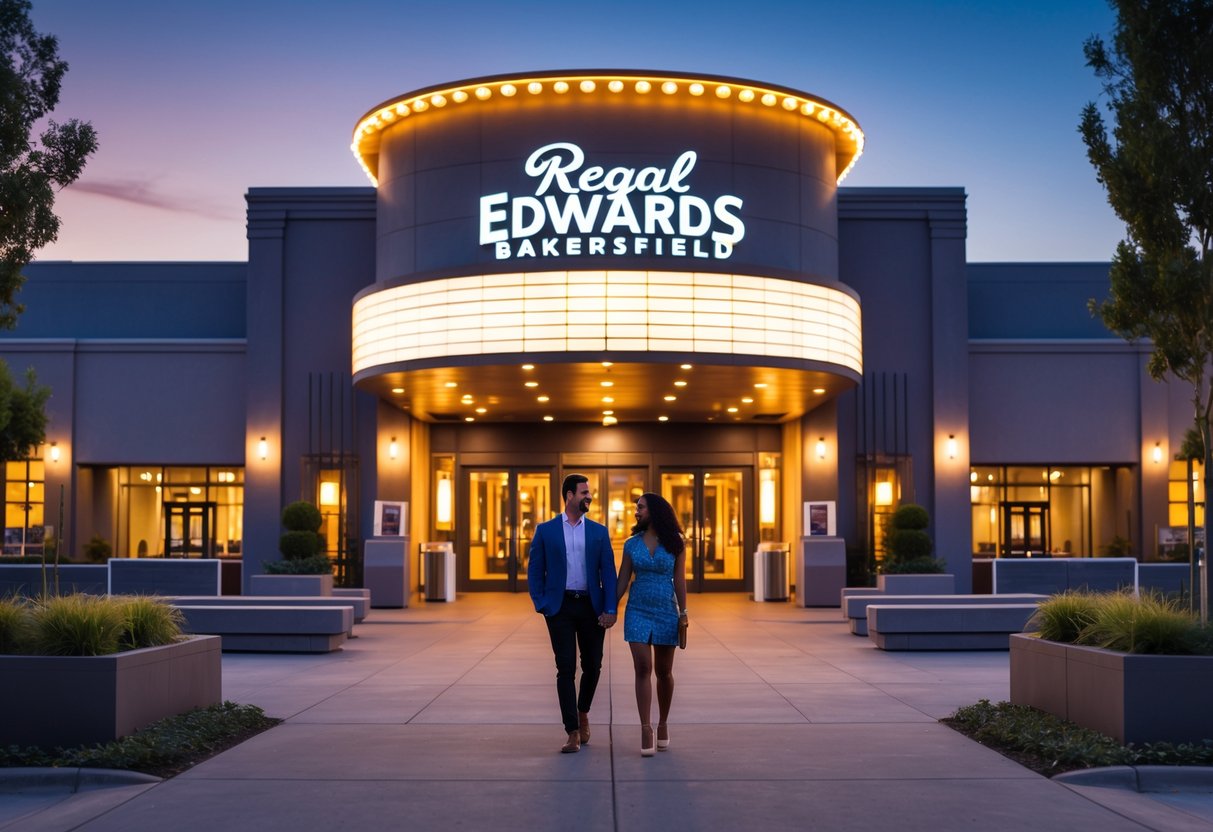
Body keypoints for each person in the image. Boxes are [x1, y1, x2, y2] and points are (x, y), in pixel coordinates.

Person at [527, 474, 618, 753]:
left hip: (591, 607)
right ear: (569, 495)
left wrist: (610, 608)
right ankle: (572, 731)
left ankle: (583, 711)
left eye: (589, 493)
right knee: (565, 668)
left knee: (593, 665)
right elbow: (535, 570)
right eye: (584, 492)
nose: (589, 497)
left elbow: (608, 573)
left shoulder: (599, 532)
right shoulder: (546, 531)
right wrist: (543, 604)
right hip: (560, 608)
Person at [616, 491, 688, 757]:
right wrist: (608, 608)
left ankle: (663, 723)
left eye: (641, 507)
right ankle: (645, 727)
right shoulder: (631, 544)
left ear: (655, 511)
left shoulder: (676, 543)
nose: (636, 512)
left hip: (666, 611)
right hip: (637, 610)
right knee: (643, 667)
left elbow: (679, 579)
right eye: (637, 508)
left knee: (664, 672)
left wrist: (684, 612)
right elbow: (623, 580)